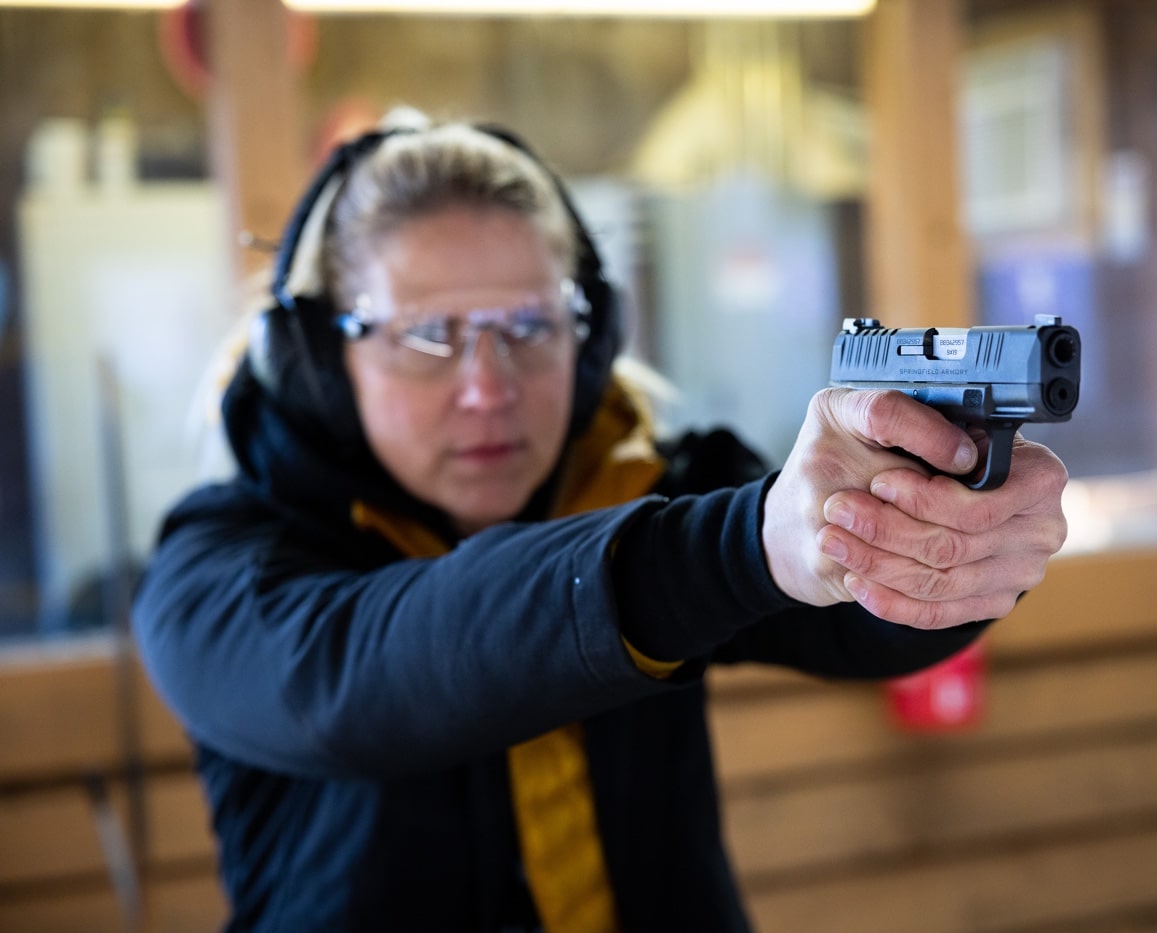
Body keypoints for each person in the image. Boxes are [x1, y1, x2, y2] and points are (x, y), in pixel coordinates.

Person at [132, 110, 1069, 933]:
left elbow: (856, 627)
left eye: (531, 327)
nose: (488, 389)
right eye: (428, 336)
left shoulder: (652, 480)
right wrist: (737, 547)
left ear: (591, 341)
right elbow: (358, 681)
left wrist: (945, 529)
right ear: (318, 362)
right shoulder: (220, 563)